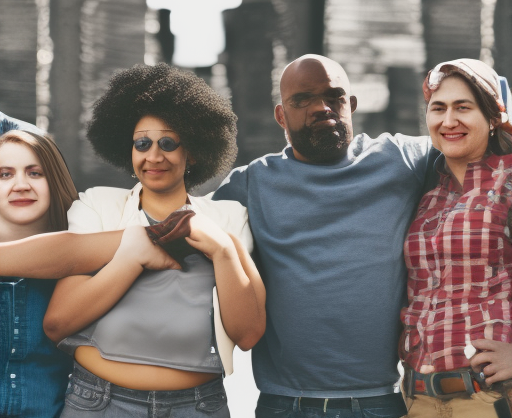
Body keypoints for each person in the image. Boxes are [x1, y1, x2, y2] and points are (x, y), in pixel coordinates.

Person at [213, 54, 436, 418]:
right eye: (302, 100)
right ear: (281, 115)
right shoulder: (251, 183)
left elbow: (482, 154)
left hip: (380, 402)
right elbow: (179, 227)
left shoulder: (403, 159)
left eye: (334, 97)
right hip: (286, 404)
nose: (321, 108)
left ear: (352, 104)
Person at [42, 63, 266, 417]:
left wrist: (223, 251)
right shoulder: (98, 205)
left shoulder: (228, 219)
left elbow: (248, 333)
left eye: (168, 143)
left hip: (197, 407)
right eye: (142, 143)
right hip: (99, 404)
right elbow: (58, 323)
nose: (154, 156)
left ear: (190, 152)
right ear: (129, 152)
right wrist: (131, 258)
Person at [400, 58, 512, 417]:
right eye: (438, 108)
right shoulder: (430, 194)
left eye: (463, 108)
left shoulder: (507, 183)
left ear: (494, 117)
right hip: (419, 397)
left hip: (490, 397)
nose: (448, 121)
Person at [0, 130, 77, 418]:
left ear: (54, 179)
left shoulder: (83, 262)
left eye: (35, 173)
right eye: (4, 175)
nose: (20, 185)